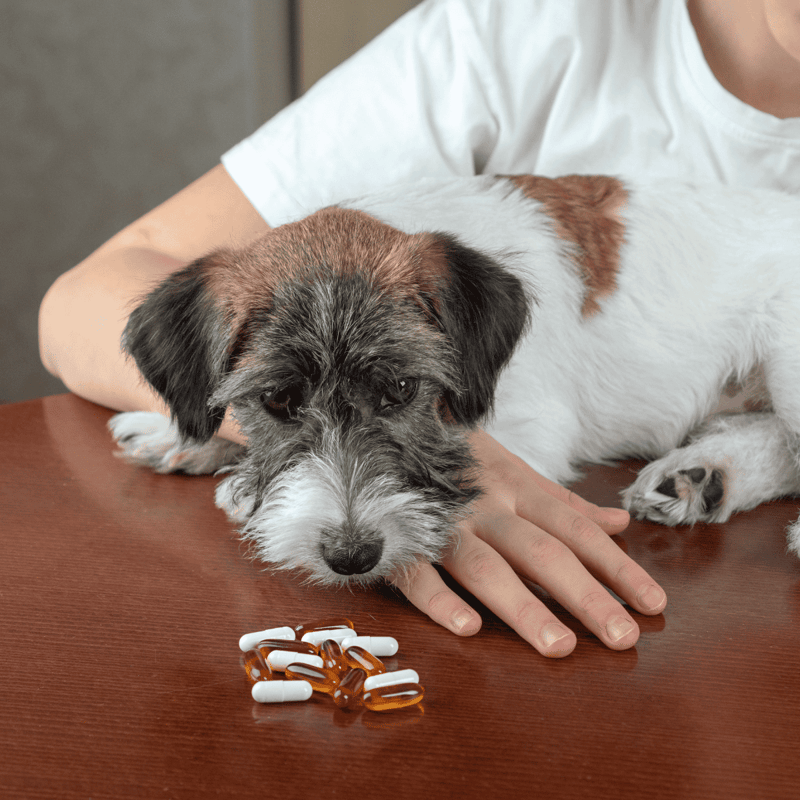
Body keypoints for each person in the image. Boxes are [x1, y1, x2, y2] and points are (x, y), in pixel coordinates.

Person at [38, 0, 800, 657]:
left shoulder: (454, 289)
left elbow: (525, 441)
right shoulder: (525, 28)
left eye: (400, 386)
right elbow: (83, 300)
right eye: (274, 402)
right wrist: (230, 430)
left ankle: (768, 454)